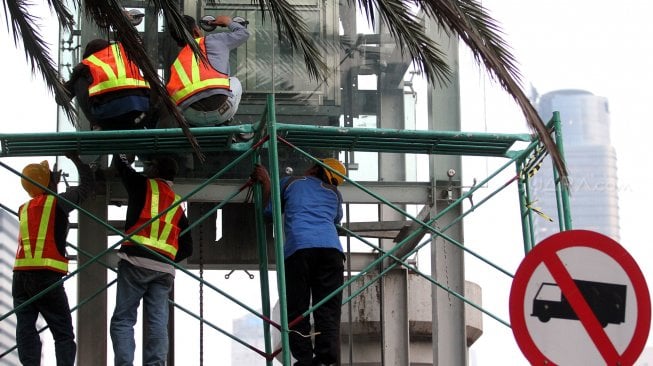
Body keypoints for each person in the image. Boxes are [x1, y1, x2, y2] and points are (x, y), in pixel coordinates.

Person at [251, 158, 347, 366]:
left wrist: (267, 181)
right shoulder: (335, 193)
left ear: (314, 167)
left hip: (299, 249)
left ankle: (303, 361)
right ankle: (325, 360)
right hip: (331, 252)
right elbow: (336, 220)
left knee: (297, 309)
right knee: (328, 310)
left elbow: (269, 212)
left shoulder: (290, 182)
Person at [109, 153, 193, 366]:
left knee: (124, 319)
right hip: (164, 269)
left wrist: (125, 145)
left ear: (157, 171)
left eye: (151, 164)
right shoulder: (176, 203)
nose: (147, 167)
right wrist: (167, 256)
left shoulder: (142, 185)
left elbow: (120, 164)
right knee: (157, 322)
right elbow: (188, 247)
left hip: (135, 261)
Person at [12, 153, 94, 366]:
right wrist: (77, 159)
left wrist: (52, 183)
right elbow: (86, 188)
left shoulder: (24, 208)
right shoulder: (57, 203)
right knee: (63, 333)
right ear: (48, 182)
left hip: (20, 277)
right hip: (46, 277)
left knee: (26, 327)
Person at [165, 14, 250, 127]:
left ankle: (197, 128)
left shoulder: (176, 64)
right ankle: (225, 122)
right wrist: (228, 22)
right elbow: (244, 34)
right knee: (234, 81)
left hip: (191, 117)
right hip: (222, 111)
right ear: (196, 31)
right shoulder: (213, 40)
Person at [60, 38, 154, 131]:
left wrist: (61, 85)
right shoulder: (125, 53)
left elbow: (62, 98)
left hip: (106, 119)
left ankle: (97, 125)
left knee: (78, 82)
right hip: (139, 113)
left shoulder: (87, 63)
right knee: (147, 77)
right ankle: (149, 122)